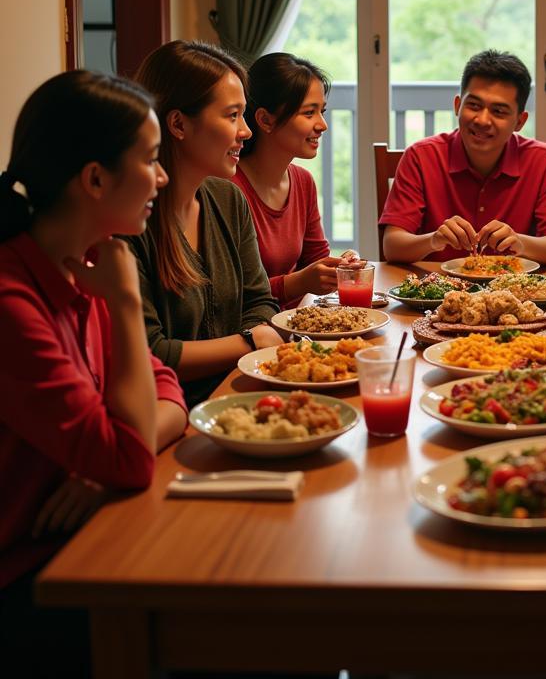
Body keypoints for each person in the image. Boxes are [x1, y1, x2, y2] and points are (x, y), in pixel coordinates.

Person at [0, 71, 187, 677]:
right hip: (29, 575)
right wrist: (127, 303)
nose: (162, 177)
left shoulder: (82, 261)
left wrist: (104, 470)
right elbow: (132, 455)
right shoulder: (14, 299)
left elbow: (167, 394)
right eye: (153, 160)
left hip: (95, 529)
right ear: (96, 178)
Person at [129, 40, 281, 407]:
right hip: (174, 413)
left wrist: (251, 337)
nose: (246, 131)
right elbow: (151, 353)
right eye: (232, 116)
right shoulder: (131, 221)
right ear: (179, 123)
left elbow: (261, 301)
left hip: (241, 390)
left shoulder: (228, 199)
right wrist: (249, 341)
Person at [379, 49, 546, 264]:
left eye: (499, 111)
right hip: (436, 292)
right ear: (457, 106)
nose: (482, 120)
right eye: (473, 105)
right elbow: (392, 246)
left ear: (520, 121)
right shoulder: (421, 157)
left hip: (517, 294)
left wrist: (520, 242)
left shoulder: (544, 161)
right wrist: (433, 240)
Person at [231, 53, 348, 308]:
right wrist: (297, 282)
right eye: (309, 113)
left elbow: (316, 260)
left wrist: (340, 267)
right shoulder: (228, 189)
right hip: (254, 332)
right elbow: (230, 292)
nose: (323, 125)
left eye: (322, 111)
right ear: (265, 120)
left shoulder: (303, 181)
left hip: (299, 323)